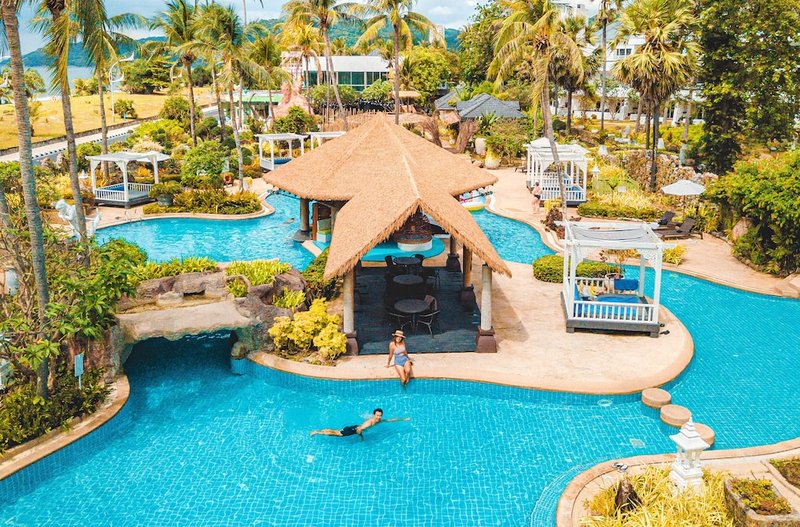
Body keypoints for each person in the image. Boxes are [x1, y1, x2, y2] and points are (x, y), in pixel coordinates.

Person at [310, 408, 409, 439]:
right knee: (337, 434)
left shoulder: (378, 420)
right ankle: (318, 432)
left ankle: (320, 430)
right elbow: (359, 429)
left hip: (354, 426)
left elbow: (390, 420)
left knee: (337, 431)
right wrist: (361, 437)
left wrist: (402, 419)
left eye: (380, 415)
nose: (379, 417)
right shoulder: (369, 423)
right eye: (377, 415)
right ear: (374, 415)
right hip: (354, 429)